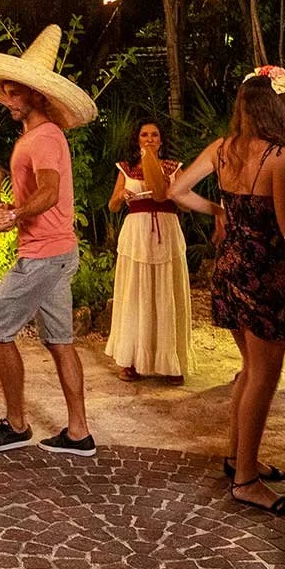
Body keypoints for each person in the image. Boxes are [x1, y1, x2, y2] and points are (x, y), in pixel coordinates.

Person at [170, 67, 285, 516]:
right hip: (264, 272)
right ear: (278, 108)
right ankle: (246, 479)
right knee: (264, 376)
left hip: (229, 269)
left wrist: (218, 209)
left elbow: (176, 190)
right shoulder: (279, 157)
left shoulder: (223, 150)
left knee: (249, 369)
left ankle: (237, 456)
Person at [0, 25, 98, 456]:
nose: (5, 98)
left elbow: (50, 190)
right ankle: (79, 433)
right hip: (57, 253)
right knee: (60, 341)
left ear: (35, 95)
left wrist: (15, 214)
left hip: (42, 256)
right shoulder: (35, 137)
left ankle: (16, 424)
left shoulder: (45, 137)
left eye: (12, 92)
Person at [105, 119, 192, 384]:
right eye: (145, 135)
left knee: (167, 291)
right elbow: (112, 206)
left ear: (161, 141)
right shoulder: (127, 169)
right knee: (135, 293)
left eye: (155, 135)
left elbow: (186, 205)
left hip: (166, 231)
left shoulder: (173, 167)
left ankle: (171, 361)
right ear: (138, 140)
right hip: (136, 235)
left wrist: (177, 195)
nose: (150, 139)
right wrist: (121, 197)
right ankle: (132, 359)